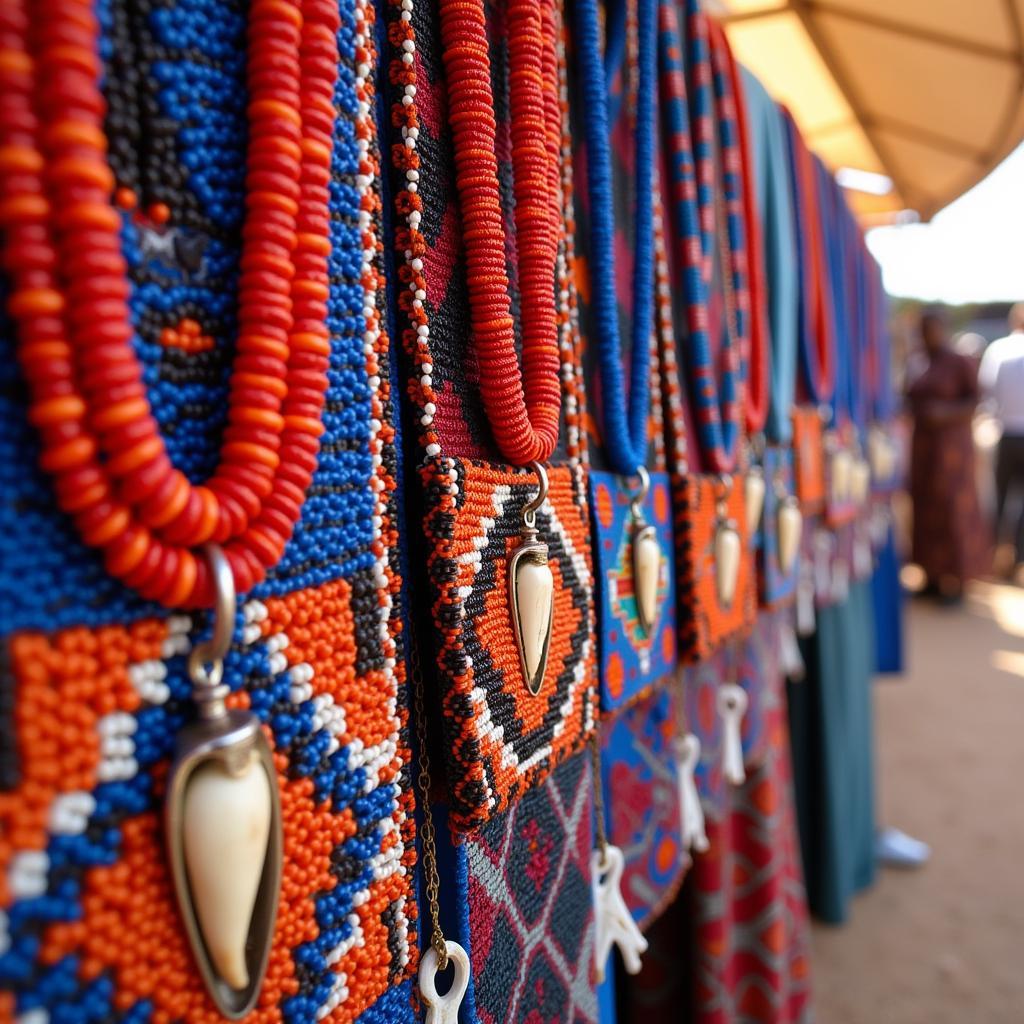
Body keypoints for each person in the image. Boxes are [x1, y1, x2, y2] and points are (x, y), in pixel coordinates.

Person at [905, 308, 986, 603]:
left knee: (952, 509)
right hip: (924, 448)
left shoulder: (958, 362)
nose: (927, 335)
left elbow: (975, 400)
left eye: (932, 328)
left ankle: (957, 578)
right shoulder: (919, 361)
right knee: (926, 508)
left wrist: (946, 414)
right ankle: (931, 575)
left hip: (950, 450)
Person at [979, 303, 1024, 573]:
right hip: (1009, 431)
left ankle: (995, 554)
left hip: (1006, 434)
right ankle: (1018, 558)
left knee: (1000, 496)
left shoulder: (998, 350)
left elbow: (987, 392)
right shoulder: (998, 350)